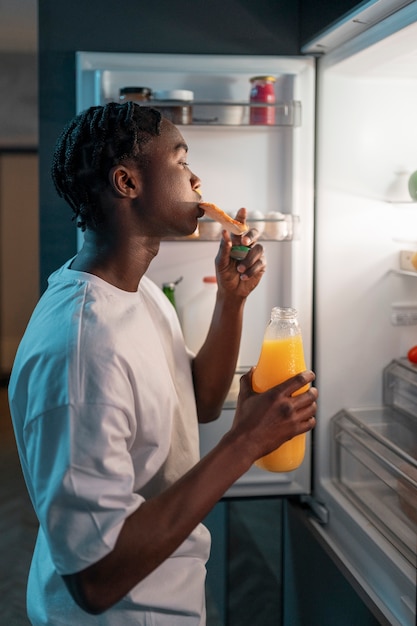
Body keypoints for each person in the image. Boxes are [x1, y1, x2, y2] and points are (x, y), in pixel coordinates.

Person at [8, 102, 318, 625]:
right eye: (180, 161)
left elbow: (194, 403)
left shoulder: (137, 291)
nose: (196, 178)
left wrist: (231, 300)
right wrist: (246, 442)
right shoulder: (82, 351)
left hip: (165, 597)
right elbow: (96, 578)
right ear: (127, 182)